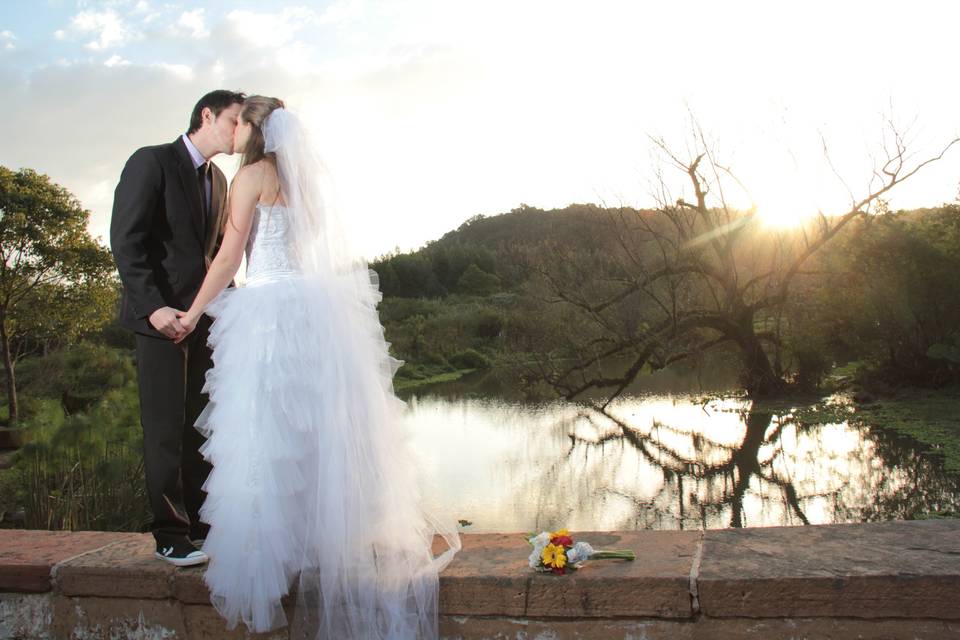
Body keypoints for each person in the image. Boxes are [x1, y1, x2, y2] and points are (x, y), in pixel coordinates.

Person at [174, 96, 461, 638]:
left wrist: (192, 312)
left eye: (238, 122)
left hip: (267, 313)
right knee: (312, 427)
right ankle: (316, 545)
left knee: (265, 431)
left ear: (252, 130)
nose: (231, 131)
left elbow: (231, 257)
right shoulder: (308, 181)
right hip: (312, 309)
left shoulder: (250, 178)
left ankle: (267, 559)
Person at [110, 89, 246, 567]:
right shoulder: (152, 162)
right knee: (165, 430)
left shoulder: (221, 180)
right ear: (206, 115)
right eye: (234, 121)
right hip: (160, 323)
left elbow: (211, 258)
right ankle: (169, 534)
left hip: (204, 322)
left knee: (199, 428)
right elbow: (127, 242)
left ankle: (201, 528)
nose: (239, 131)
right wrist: (153, 308)